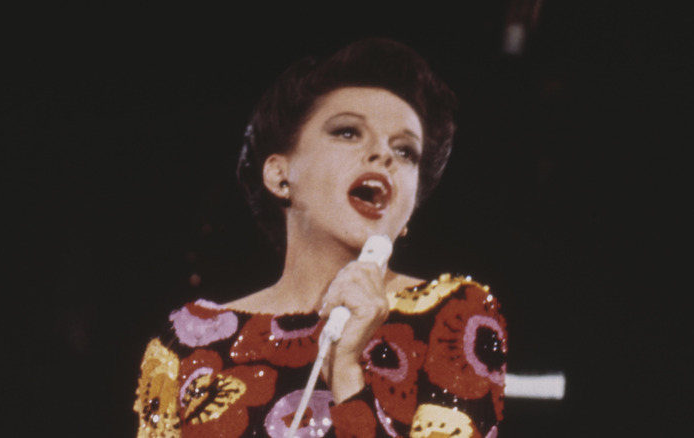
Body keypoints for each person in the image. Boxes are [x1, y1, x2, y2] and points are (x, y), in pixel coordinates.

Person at [134, 38, 507, 438]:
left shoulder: (454, 318)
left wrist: (346, 374)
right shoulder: (187, 344)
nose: (382, 154)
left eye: (405, 152)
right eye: (348, 132)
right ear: (279, 174)